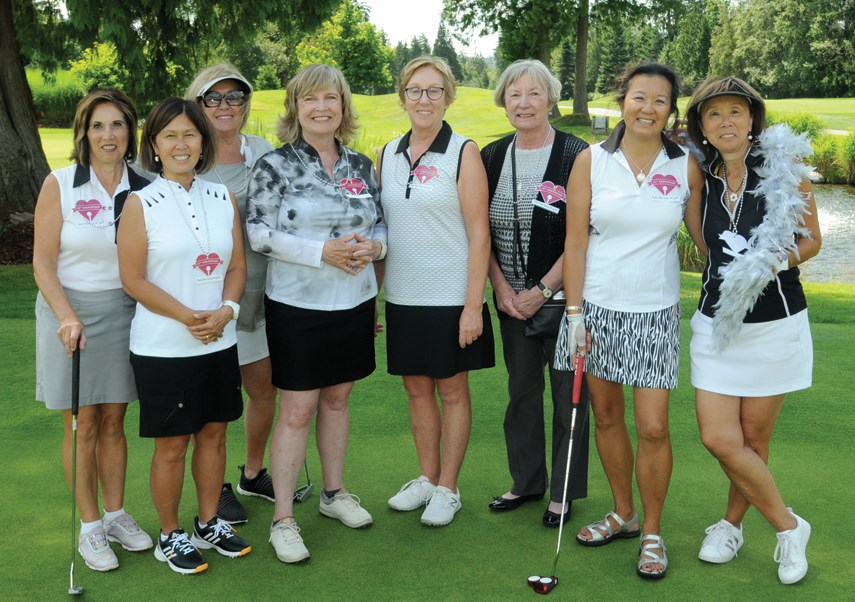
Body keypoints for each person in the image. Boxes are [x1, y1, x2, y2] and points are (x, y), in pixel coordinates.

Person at [558, 62, 704, 579]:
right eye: (639, 97)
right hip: (595, 307)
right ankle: (623, 511)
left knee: (655, 426)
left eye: (660, 100)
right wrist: (573, 314)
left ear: (671, 110)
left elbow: (703, 242)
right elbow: (574, 243)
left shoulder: (686, 164)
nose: (648, 108)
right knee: (606, 416)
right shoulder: (590, 161)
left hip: (655, 311)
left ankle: (652, 532)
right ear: (622, 100)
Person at [246, 64, 385, 564]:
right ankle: (283, 518)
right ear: (295, 108)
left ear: (343, 107)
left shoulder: (362, 165)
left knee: (338, 399)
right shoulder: (275, 166)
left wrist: (371, 248)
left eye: (331, 98)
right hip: (297, 304)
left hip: (353, 301)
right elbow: (258, 233)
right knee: (298, 408)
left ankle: (332, 494)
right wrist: (320, 252)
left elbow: (382, 226)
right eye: (310, 100)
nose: (321, 107)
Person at [684, 76, 821, 585]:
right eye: (713, 114)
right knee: (719, 437)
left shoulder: (783, 169)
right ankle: (789, 526)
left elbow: (811, 242)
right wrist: (728, 274)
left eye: (735, 113)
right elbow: (702, 242)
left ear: (752, 120)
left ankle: (731, 525)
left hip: (775, 325)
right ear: (701, 124)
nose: (725, 122)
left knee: (753, 438)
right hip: (716, 324)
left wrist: (765, 265)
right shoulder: (703, 174)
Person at [118, 97, 250, 574]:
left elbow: (237, 266)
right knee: (173, 444)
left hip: (220, 339)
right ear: (153, 144)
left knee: (214, 434)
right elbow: (133, 279)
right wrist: (189, 317)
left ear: (203, 142)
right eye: (169, 135)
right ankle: (170, 535)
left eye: (190, 134)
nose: (181, 144)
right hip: (163, 346)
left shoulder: (222, 197)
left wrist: (226, 311)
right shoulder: (139, 203)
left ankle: (208, 522)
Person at [33, 87, 153, 572]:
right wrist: (65, 313)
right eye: (98, 125)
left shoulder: (145, 185)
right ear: (83, 132)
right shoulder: (60, 183)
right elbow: (42, 262)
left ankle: (116, 514)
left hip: (125, 310)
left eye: (118, 125)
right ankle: (89, 527)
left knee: (113, 421)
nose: (108, 135)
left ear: (130, 132)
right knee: (80, 425)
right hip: (69, 312)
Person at [378, 56, 494, 527]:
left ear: (447, 97)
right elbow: (384, 229)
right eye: (414, 90)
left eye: (433, 91)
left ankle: (448, 487)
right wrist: (375, 296)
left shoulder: (464, 151)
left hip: (451, 295)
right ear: (402, 96)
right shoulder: (387, 152)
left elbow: (479, 232)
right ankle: (427, 478)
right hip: (403, 295)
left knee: (452, 390)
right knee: (415, 388)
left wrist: (472, 305)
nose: (423, 99)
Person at [481, 59, 590, 527]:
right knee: (521, 395)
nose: (523, 103)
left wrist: (544, 288)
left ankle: (562, 495)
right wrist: (502, 287)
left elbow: (586, 232)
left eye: (534, 93)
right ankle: (526, 483)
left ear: (550, 99)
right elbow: (477, 230)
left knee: (569, 399)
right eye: (514, 94)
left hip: (565, 304)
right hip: (510, 305)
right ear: (503, 102)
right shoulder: (488, 156)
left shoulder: (577, 154)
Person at [186, 63, 277, 524]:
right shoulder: (185, 155)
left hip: (258, 298)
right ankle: (217, 487)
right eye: (213, 98)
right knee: (216, 401)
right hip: (205, 305)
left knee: (263, 389)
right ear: (198, 104)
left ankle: (253, 472)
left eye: (234, 97)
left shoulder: (264, 152)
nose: (225, 106)